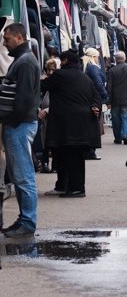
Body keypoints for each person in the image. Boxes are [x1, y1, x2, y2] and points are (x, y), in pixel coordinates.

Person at [41, 50, 101, 198]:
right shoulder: (85, 77)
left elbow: (41, 86)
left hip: (67, 124)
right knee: (69, 155)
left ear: (66, 60)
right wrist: (95, 106)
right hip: (82, 123)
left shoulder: (60, 75)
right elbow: (96, 96)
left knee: (69, 156)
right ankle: (63, 185)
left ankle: (76, 188)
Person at [0, 23, 41, 237]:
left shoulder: (25, 62)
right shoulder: (23, 60)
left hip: (19, 125)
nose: (5, 44)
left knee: (24, 176)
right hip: (18, 124)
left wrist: (12, 120)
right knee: (20, 176)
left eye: (7, 39)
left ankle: (28, 222)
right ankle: (24, 219)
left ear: (18, 37)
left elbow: (24, 99)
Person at [107, 51, 127, 145]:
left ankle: (117, 138)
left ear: (115, 59)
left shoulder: (112, 71)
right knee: (126, 117)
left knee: (116, 119)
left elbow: (109, 87)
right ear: (124, 58)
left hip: (115, 99)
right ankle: (125, 135)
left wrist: (108, 100)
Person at [82, 48, 107, 160]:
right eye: (97, 57)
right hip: (95, 99)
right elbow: (99, 84)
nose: (98, 59)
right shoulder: (93, 68)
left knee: (87, 126)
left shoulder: (84, 67)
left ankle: (87, 151)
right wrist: (105, 95)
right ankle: (91, 152)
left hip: (86, 99)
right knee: (94, 126)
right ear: (93, 57)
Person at [37, 58, 58, 173]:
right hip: (41, 116)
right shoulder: (43, 82)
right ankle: (44, 163)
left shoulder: (58, 83)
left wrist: (47, 110)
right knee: (43, 141)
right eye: (48, 70)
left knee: (53, 140)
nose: (50, 72)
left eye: (53, 70)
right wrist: (38, 109)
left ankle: (55, 164)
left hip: (53, 115)